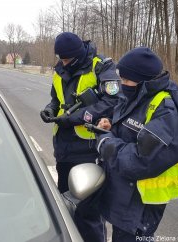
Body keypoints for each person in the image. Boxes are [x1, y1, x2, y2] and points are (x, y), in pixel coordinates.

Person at [95, 47, 178, 242]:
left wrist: (104, 142)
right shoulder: (136, 95)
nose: (123, 84)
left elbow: (139, 161)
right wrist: (110, 127)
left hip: (141, 207)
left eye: (127, 80)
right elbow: (130, 131)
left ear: (144, 81)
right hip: (124, 196)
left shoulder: (166, 109)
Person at [40, 32, 121, 241]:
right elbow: (55, 100)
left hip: (89, 149)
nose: (63, 63)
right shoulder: (60, 69)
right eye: (60, 58)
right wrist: (50, 110)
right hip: (64, 149)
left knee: (88, 214)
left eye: (66, 59)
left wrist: (77, 117)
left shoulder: (101, 66)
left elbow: (112, 102)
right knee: (64, 209)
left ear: (78, 54)